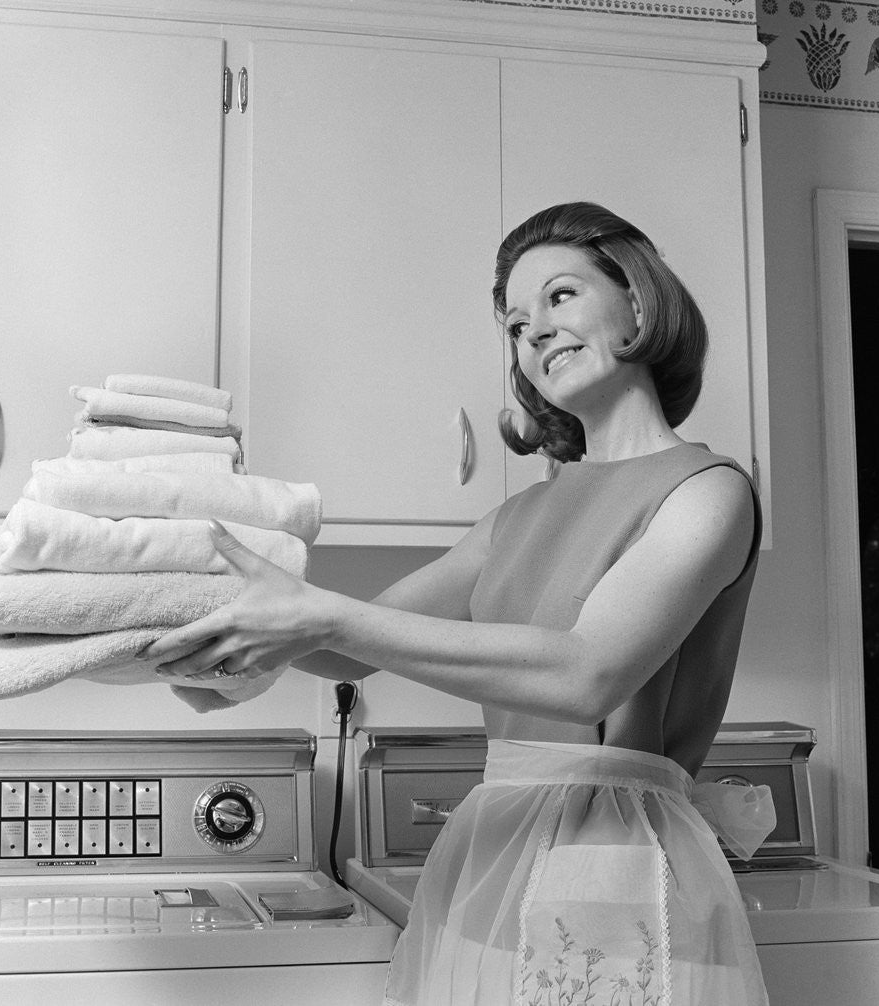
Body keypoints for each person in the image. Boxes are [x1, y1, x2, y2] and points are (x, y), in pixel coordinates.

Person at [139, 202, 773, 1004]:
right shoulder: (516, 519)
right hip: (495, 854)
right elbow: (351, 646)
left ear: (639, 304)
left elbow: (589, 674)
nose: (533, 331)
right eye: (513, 323)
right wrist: (213, 638)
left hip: (622, 854)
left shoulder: (710, 492)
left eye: (561, 296)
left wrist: (314, 616)